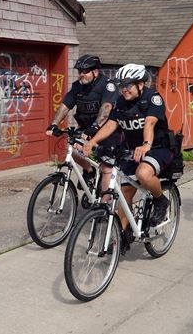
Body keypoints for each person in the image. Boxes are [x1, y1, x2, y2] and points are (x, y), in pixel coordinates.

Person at [83, 63, 173, 251]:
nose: (123, 89)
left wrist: (146, 145)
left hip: (157, 148)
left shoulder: (152, 98)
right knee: (124, 193)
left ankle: (160, 200)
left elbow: (149, 123)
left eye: (128, 85)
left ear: (140, 84)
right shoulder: (121, 101)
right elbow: (111, 124)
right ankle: (125, 233)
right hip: (133, 150)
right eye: (121, 85)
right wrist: (92, 141)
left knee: (143, 173)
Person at [46, 54, 119, 192]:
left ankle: (103, 206)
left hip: (106, 132)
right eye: (79, 71)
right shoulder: (78, 87)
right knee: (73, 149)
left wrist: (94, 127)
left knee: (107, 167)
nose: (81, 75)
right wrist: (54, 124)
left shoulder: (107, 86)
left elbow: (106, 108)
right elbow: (65, 106)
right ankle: (90, 172)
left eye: (84, 71)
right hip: (86, 129)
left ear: (95, 72)